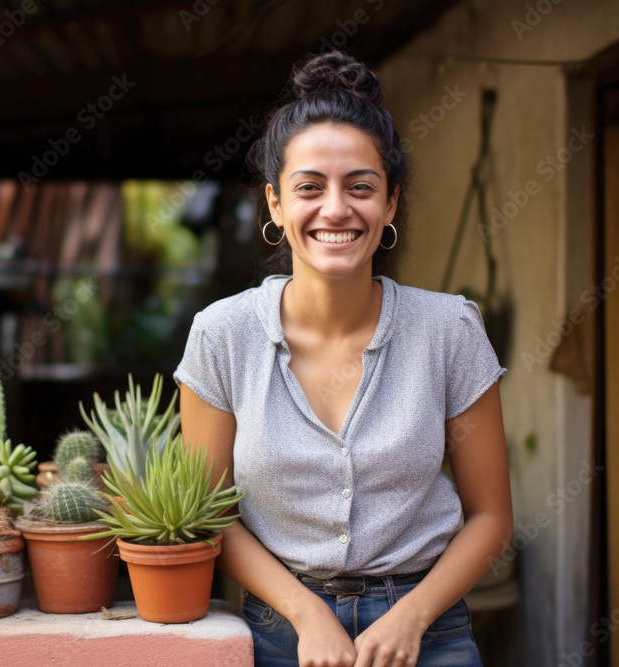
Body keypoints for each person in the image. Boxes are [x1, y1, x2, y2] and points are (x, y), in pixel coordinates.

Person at [174, 50, 512, 666]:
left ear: (389, 205)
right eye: (310, 187)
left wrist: (410, 617)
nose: (336, 209)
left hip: (429, 633)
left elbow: (491, 517)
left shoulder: (449, 331)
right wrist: (308, 615)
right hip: (280, 636)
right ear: (275, 204)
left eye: (361, 187)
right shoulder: (222, 335)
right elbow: (209, 515)